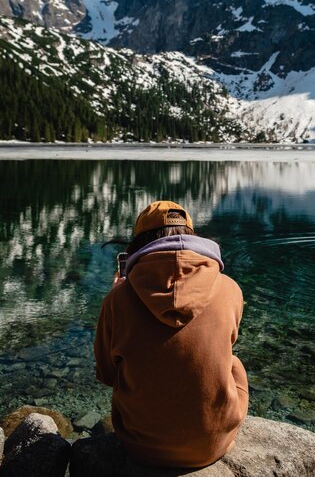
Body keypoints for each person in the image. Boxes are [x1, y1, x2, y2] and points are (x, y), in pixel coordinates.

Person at [94, 200, 248, 469]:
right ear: (192, 236)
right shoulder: (230, 289)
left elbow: (108, 375)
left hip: (141, 446)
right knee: (233, 363)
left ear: (138, 244)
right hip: (212, 445)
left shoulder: (116, 300)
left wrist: (118, 296)